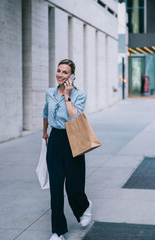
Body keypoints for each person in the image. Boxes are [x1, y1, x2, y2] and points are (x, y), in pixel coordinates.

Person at [42, 59, 92, 240]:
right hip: (55, 139)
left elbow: (74, 117)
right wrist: (44, 133)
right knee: (56, 188)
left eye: (65, 72)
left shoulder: (80, 95)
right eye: (59, 71)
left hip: (73, 139)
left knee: (73, 187)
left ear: (72, 76)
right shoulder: (49, 92)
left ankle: (84, 207)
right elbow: (46, 113)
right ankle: (58, 232)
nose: (60, 75)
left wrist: (67, 95)